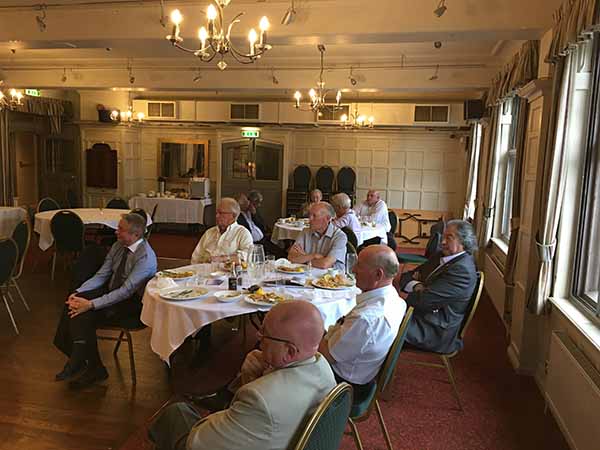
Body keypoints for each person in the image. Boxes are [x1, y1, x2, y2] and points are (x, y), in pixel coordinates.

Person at [148, 301, 336, 450]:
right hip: (284, 438)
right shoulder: (322, 366)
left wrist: (252, 387)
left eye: (265, 334)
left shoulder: (260, 400)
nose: (258, 338)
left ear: (290, 351)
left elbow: (198, 443)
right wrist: (259, 378)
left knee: (175, 414)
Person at [53, 213, 157, 388]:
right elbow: (102, 275)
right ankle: (86, 362)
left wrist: (91, 304)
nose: (116, 231)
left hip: (132, 304)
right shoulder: (118, 245)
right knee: (75, 303)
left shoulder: (145, 258)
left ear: (135, 234)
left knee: (83, 315)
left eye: (121, 229)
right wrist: (79, 291)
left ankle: (85, 362)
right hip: (112, 291)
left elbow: (125, 292)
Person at [318, 245, 406, 402]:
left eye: (359, 265)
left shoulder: (365, 319)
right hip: (361, 372)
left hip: (343, 386)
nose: (353, 269)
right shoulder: (396, 300)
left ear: (378, 274)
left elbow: (327, 356)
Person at [394, 220, 478, 353]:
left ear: (463, 241)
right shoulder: (443, 255)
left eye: (449, 238)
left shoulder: (462, 271)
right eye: (443, 237)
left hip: (433, 330)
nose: (442, 242)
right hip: (422, 315)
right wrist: (418, 286)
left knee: (380, 325)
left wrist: (420, 289)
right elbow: (406, 276)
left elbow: (423, 300)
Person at [191, 197, 253, 264]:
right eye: (216, 213)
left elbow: (248, 256)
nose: (217, 216)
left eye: (221, 213)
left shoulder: (242, 233)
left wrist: (224, 258)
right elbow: (195, 258)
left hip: (227, 270)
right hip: (204, 269)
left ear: (233, 215)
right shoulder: (209, 232)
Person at [288, 202, 347, 271]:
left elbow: (324, 264)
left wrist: (304, 257)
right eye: (309, 215)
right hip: (307, 275)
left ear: (327, 218)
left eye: (314, 216)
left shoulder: (340, 237)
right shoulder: (305, 232)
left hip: (329, 277)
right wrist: (313, 255)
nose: (309, 219)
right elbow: (291, 257)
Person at [237, 192, 286, 258]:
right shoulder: (238, 216)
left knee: (282, 252)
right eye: (246, 202)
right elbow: (246, 232)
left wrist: (255, 214)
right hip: (255, 244)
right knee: (279, 255)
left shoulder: (252, 212)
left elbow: (262, 226)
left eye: (248, 202)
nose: (248, 204)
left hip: (263, 240)